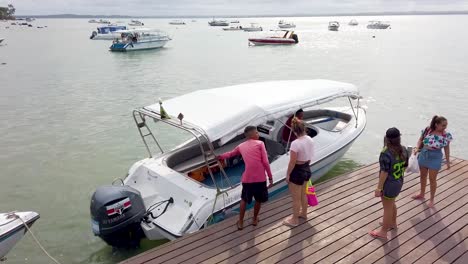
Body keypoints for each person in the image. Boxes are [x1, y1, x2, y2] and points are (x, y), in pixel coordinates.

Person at [218, 126, 273, 230]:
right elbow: (265, 162)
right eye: (257, 133)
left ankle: (241, 222)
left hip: (247, 179)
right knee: (258, 200)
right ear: (252, 135)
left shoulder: (241, 146)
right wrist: (270, 177)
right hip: (260, 179)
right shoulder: (260, 143)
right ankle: (254, 219)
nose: (258, 134)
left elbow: (230, 154)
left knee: (243, 199)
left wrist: (220, 157)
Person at [369, 127, 408, 240]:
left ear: (387, 138)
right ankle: (392, 223)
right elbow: (405, 166)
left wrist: (378, 188)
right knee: (391, 203)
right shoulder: (403, 149)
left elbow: (384, 172)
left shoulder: (385, 153)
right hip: (399, 181)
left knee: (387, 208)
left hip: (389, 184)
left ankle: (383, 232)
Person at [412, 116, 453, 208]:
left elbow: (446, 149)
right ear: (436, 124)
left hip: (436, 157)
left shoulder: (446, 135)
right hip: (424, 155)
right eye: (443, 125)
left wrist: (447, 161)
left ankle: (431, 199)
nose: (445, 127)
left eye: (446, 125)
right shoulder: (427, 130)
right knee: (423, 176)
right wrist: (417, 148)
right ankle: (422, 194)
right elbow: (420, 140)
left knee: (432, 179)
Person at [283, 117, 314, 227]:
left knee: (296, 198)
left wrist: (288, 175)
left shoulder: (295, 143)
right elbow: (310, 157)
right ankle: (304, 214)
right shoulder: (310, 139)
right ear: (304, 129)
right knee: (303, 195)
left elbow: (292, 162)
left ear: (294, 131)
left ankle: (294, 220)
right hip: (306, 168)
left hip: (297, 171)